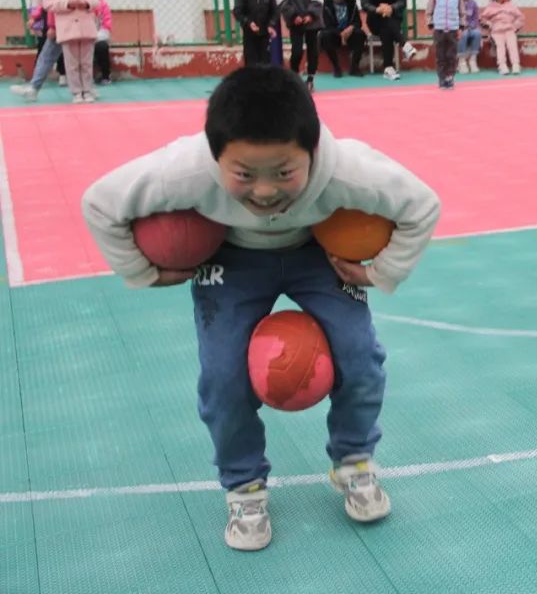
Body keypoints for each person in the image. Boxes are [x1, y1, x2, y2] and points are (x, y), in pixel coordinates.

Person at [81, 66, 441, 551]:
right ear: (215, 155)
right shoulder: (185, 169)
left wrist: (382, 272)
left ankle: (354, 460)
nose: (265, 190)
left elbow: (422, 206)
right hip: (231, 259)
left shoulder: (349, 170)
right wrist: (142, 272)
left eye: (284, 172)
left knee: (360, 355)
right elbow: (100, 203)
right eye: (245, 174)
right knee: (223, 375)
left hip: (317, 254)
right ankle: (243, 485)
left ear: (312, 152)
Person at [43, 0, 98, 103]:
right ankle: (76, 92)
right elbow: (48, 4)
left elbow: (96, 2)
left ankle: (87, 90)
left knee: (86, 61)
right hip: (67, 28)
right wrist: (67, 3)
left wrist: (85, 3)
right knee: (71, 62)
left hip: (86, 27)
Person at [360, 0, 417, 81]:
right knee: (385, 22)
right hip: (374, 21)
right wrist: (378, 9)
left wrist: (390, 8)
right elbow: (364, 5)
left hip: (393, 19)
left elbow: (402, 1)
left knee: (387, 27)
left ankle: (388, 68)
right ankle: (405, 45)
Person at [275, 0, 321, 91]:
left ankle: (310, 79)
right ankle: (294, 78)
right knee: (297, 51)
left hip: (312, 21)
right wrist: (293, 15)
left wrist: (311, 14)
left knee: (313, 50)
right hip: (296, 22)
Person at [425, 0, 466, 89]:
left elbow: (462, 12)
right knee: (440, 55)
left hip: (453, 30)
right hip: (439, 30)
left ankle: (450, 76)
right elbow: (429, 10)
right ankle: (442, 78)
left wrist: (461, 27)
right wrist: (430, 23)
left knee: (451, 55)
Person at [233, 0, 278, 68]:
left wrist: (271, 25)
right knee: (251, 63)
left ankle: (265, 84)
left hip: (265, 34)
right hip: (249, 35)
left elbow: (275, 12)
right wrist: (249, 23)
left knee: (265, 63)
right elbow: (237, 12)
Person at [319, 0, 365, 78]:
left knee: (360, 34)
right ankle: (336, 67)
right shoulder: (327, 3)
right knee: (326, 35)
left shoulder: (351, 2)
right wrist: (341, 34)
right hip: (335, 35)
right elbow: (327, 25)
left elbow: (358, 22)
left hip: (349, 33)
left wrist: (351, 28)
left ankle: (354, 67)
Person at [479, 0, 525, 75]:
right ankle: (502, 66)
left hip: (509, 30)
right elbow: (482, 18)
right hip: (497, 32)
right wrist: (490, 25)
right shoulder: (491, 7)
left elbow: (521, 17)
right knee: (500, 47)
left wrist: (515, 27)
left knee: (512, 46)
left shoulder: (511, 5)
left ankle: (515, 65)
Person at [454, 0, 482, 74]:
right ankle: (461, 62)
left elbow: (475, 18)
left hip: (471, 28)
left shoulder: (473, 3)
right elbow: (454, 17)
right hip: (459, 28)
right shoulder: (455, 2)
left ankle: (472, 60)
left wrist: (471, 26)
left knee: (477, 33)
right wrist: (462, 26)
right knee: (463, 34)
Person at [88, 0, 113, 84]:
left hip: (98, 36)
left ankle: (105, 76)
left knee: (101, 46)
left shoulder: (102, 5)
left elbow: (106, 27)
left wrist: (93, 36)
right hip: (79, 36)